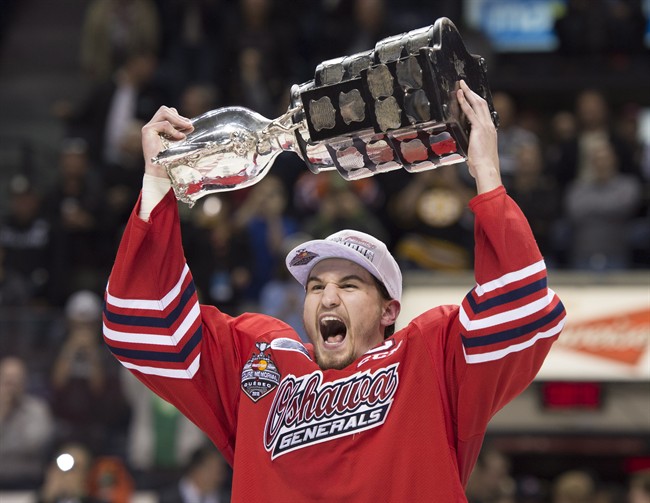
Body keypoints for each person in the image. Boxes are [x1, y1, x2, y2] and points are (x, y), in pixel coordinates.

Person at [102, 80, 566, 501]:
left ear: (389, 311)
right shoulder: (263, 361)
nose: (327, 297)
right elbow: (143, 327)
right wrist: (157, 183)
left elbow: (523, 309)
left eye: (349, 284)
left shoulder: (427, 356)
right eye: (316, 285)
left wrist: (486, 171)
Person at [0, 355, 55, 489]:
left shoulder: (37, 409)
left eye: (15, 378)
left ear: (24, 381)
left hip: (26, 481)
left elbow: (34, 444)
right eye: (7, 378)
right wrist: (3, 413)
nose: (11, 383)